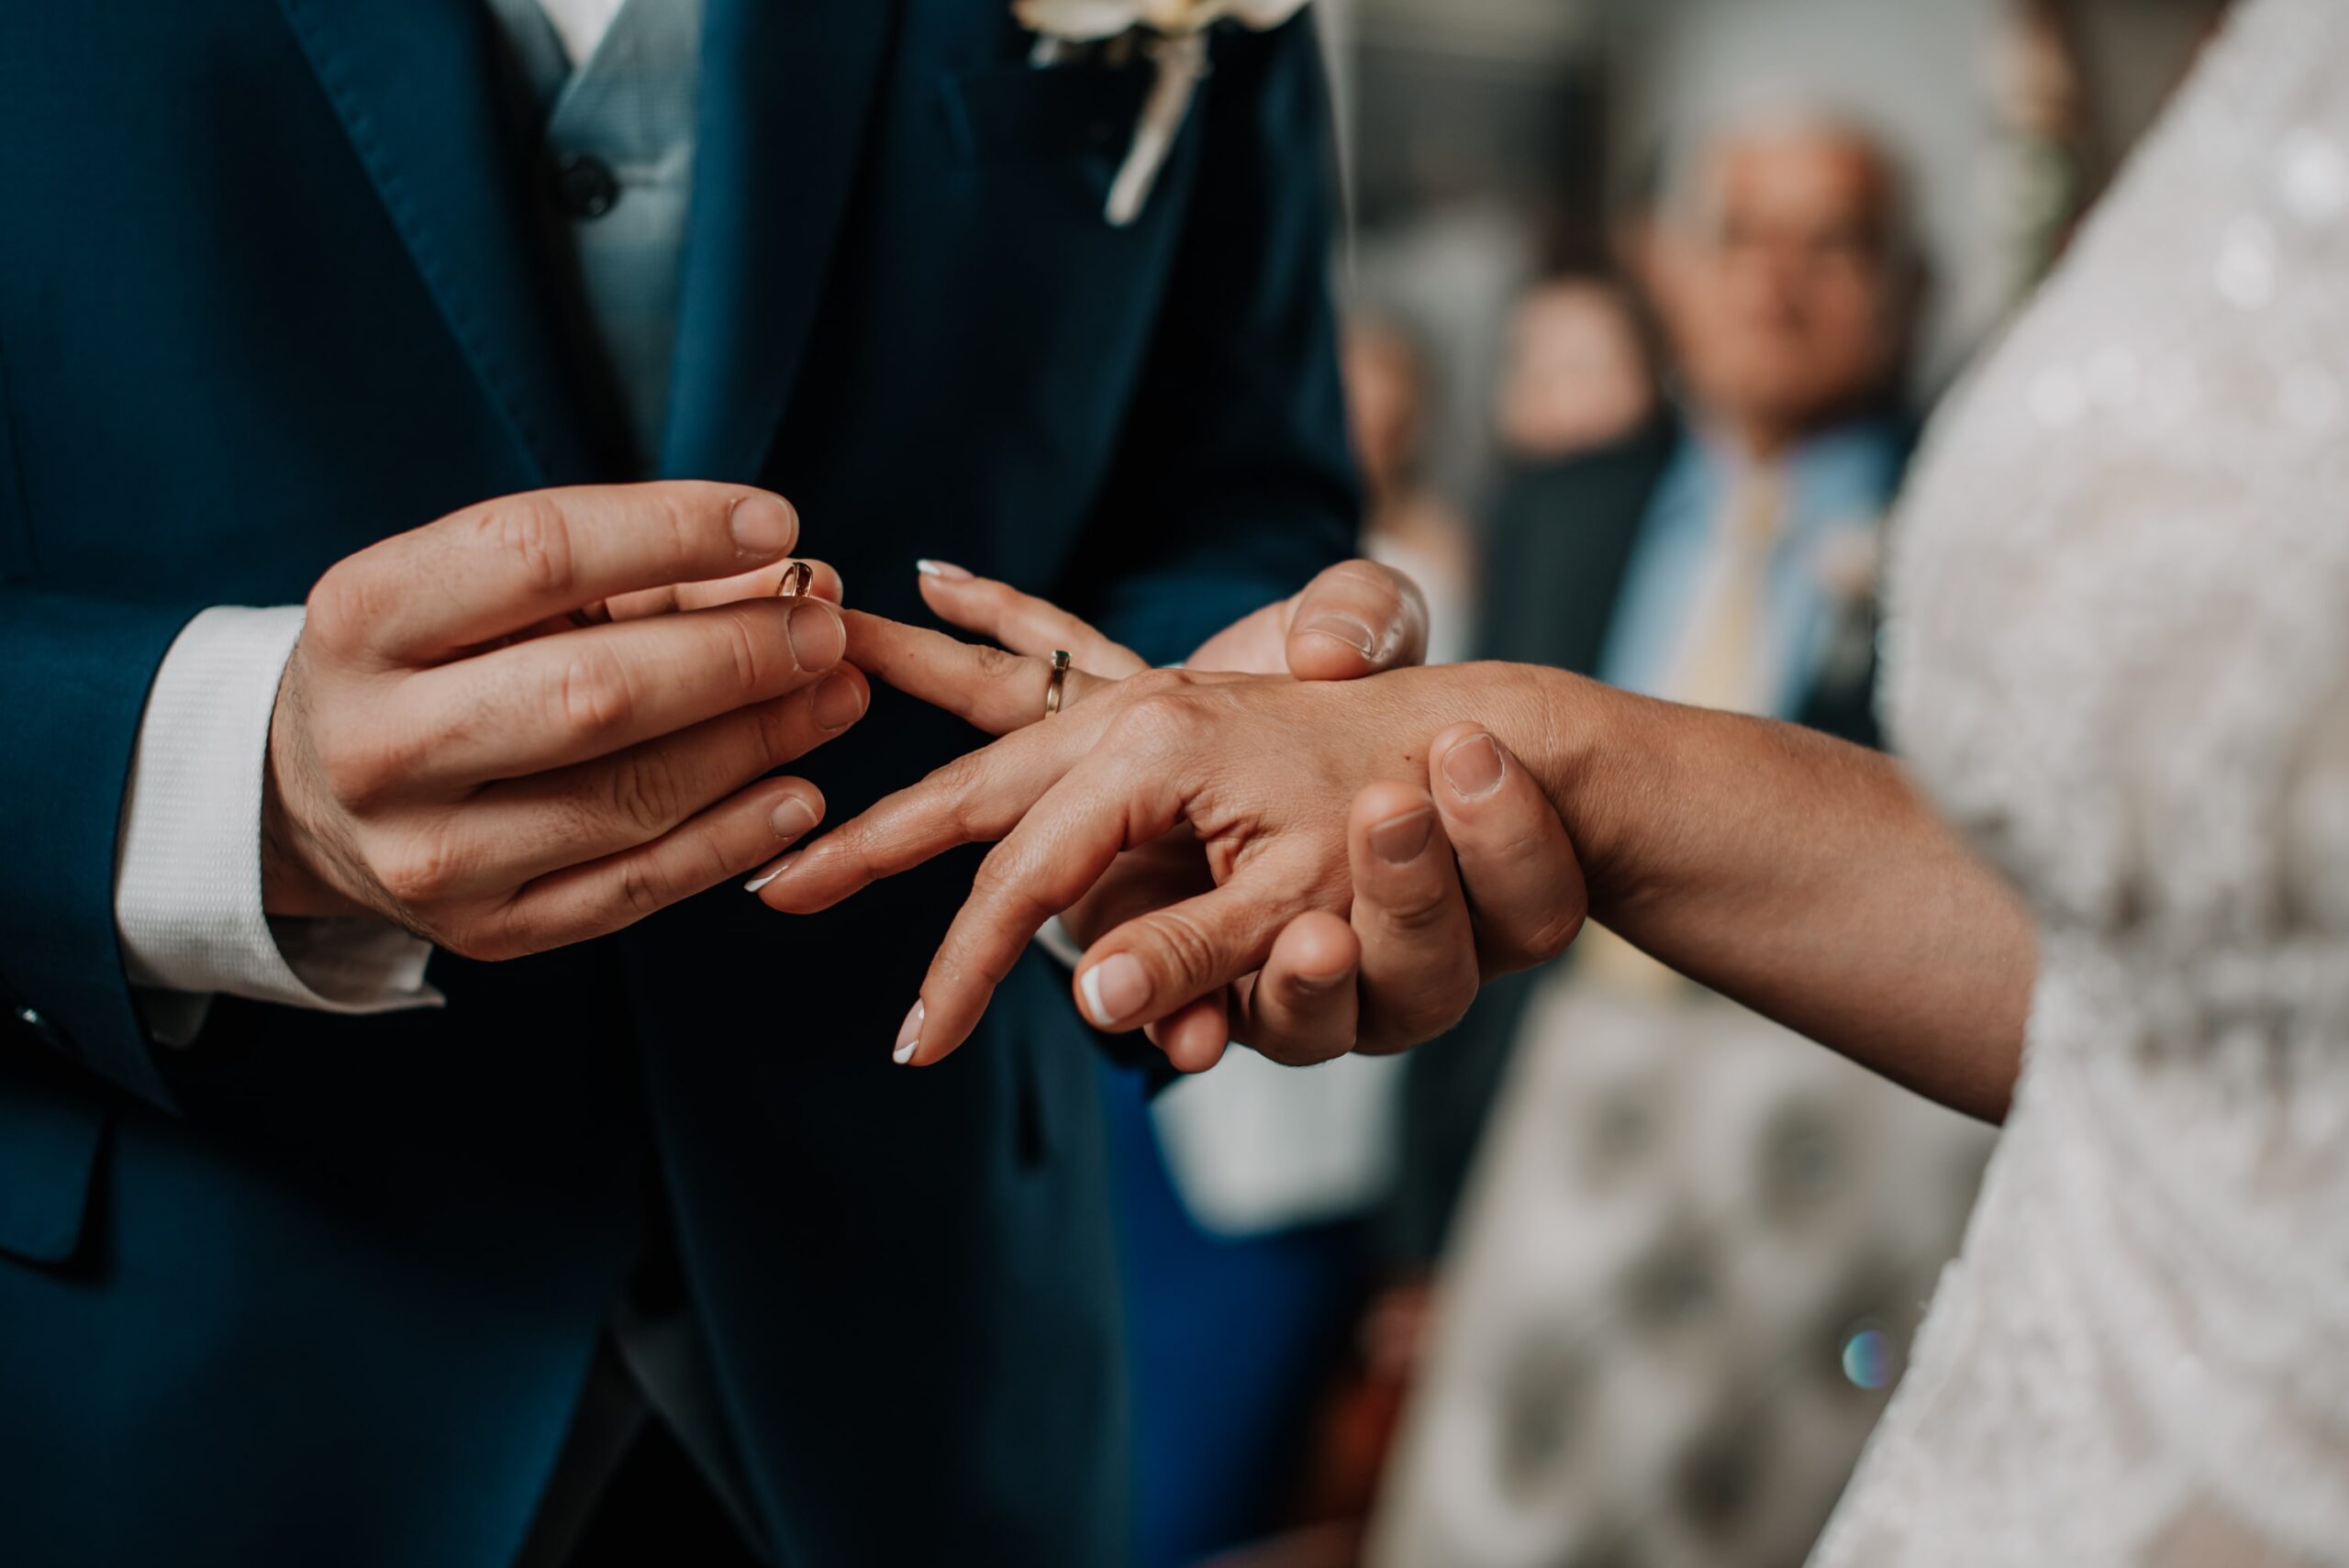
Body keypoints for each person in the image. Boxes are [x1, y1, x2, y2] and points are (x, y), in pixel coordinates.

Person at [762, 0, 2349, 1558]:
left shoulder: (1977, 496)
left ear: (1913, 279)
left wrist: (1495, 750)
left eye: (1835, 245)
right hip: (1551, 1158)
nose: (1779, 288)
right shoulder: (1564, 506)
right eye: (1737, 234)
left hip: (1899, 1205)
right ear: (1661, 258)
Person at [0, 6, 1442, 1566]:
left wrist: (1199, 723)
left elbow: (1230, 479)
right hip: (169, 1367)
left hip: (927, 1374)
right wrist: (231, 777)